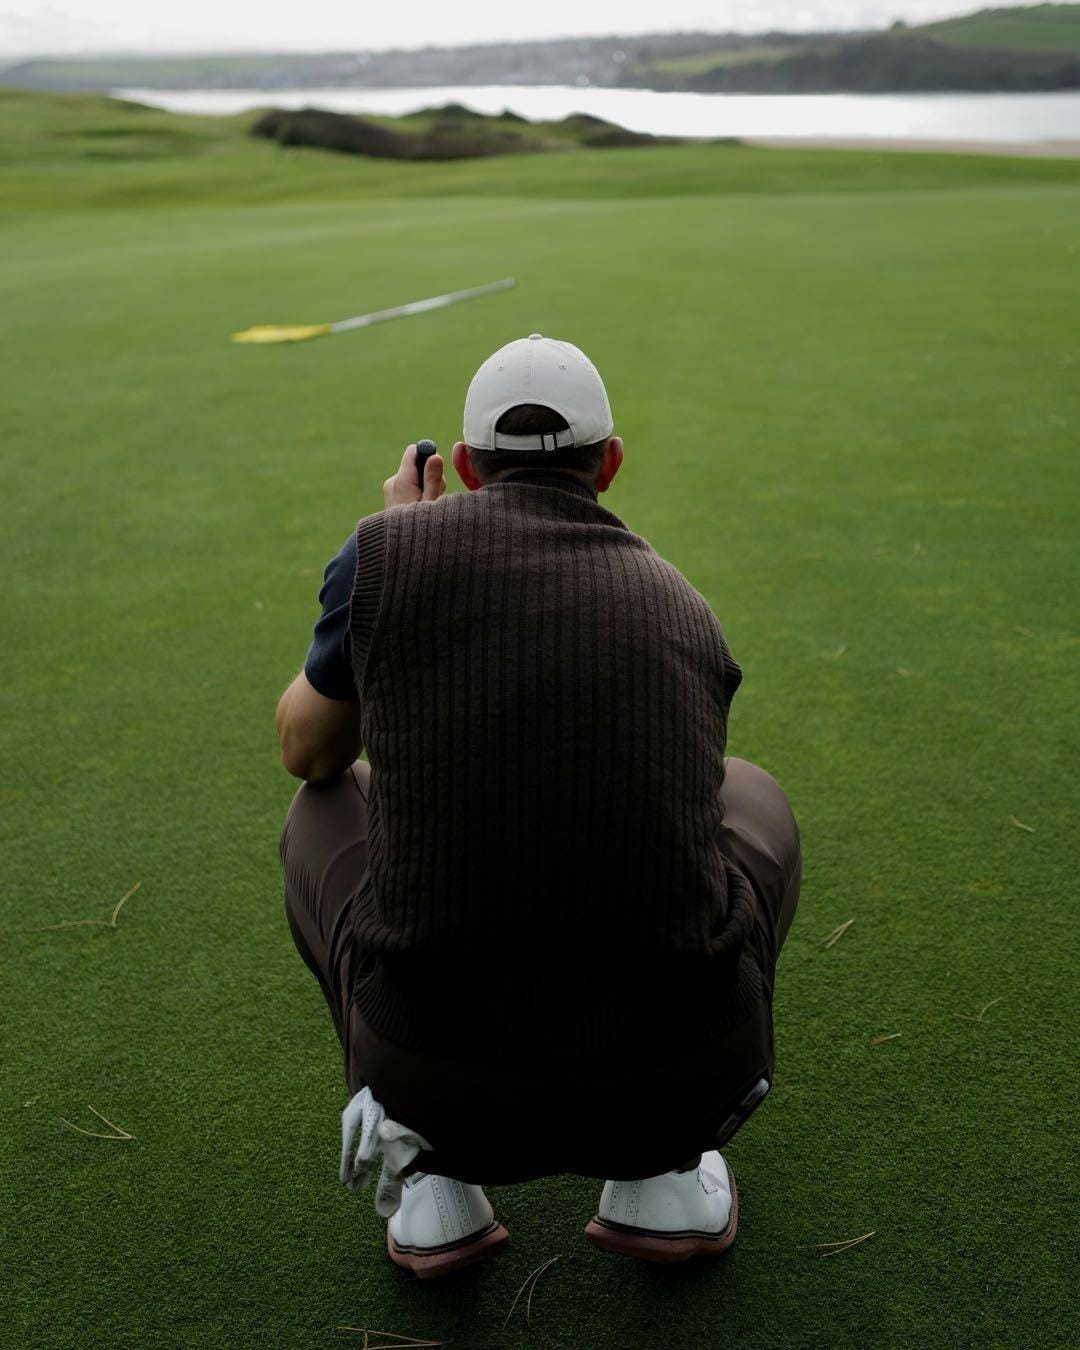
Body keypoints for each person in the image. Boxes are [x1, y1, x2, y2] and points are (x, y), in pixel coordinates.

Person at [276, 334, 801, 1278]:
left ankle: (426, 1177)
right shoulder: (680, 599)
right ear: (610, 464)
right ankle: (667, 1177)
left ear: (465, 468)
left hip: (430, 1072)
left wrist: (380, 546)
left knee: (323, 807)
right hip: (684, 1073)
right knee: (746, 790)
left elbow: (307, 749)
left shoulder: (385, 552)